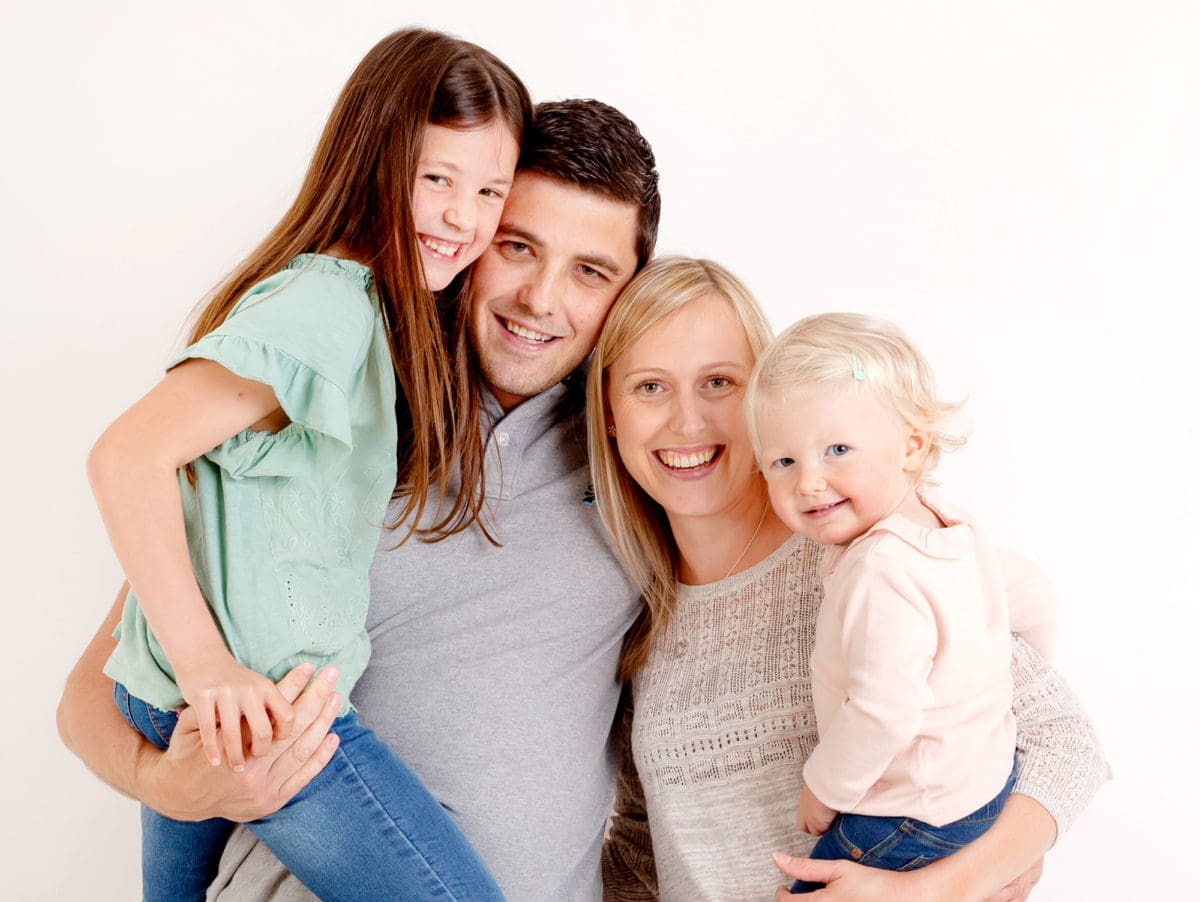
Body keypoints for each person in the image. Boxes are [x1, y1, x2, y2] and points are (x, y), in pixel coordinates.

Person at [59, 98, 662, 901]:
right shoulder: (335, 411)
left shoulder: (642, 459)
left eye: (591, 271)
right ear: (471, 234)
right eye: (518, 248)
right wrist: (168, 785)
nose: (541, 299)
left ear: (628, 290)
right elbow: (98, 689)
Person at [82, 28, 529, 901]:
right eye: (435, 178)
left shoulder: (363, 312)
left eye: (489, 192)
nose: (461, 218)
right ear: (373, 157)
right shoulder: (327, 305)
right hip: (253, 713)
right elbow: (125, 455)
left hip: (217, 704)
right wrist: (209, 670)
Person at [587, 257, 1108, 901]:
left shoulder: (863, 560)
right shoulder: (630, 607)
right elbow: (642, 842)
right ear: (609, 412)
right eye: (649, 387)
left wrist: (938, 890)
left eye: (719, 382)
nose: (688, 422)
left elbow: (1066, 745)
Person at [745, 313, 1056, 893]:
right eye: (784, 462)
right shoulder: (955, 529)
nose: (809, 482)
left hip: (913, 809)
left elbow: (883, 710)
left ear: (912, 445)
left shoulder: (878, 568)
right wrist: (996, 678)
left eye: (837, 449)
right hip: (987, 786)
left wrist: (825, 788)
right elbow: (1033, 592)